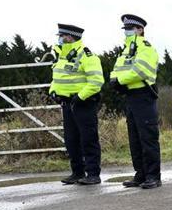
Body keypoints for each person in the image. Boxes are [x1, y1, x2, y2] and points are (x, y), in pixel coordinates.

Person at [109, 14, 161, 189]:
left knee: (148, 137)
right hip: (130, 96)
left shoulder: (146, 48)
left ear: (140, 30)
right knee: (134, 139)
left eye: (130, 29)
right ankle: (141, 174)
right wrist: (116, 82)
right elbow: (115, 70)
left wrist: (120, 81)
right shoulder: (125, 50)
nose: (127, 32)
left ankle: (153, 176)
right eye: (125, 29)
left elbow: (141, 71)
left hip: (144, 96)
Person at [49, 23, 104, 185]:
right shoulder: (62, 56)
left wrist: (80, 97)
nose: (59, 39)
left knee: (88, 139)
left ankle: (93, 173)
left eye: (62, 36)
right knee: (71, 140)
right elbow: (57, 78)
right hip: (67, 104)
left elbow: (96, 81)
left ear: (70, 37)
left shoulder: (87, 56)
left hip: (83, 104)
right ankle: (77, 172)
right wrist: (53, 91)